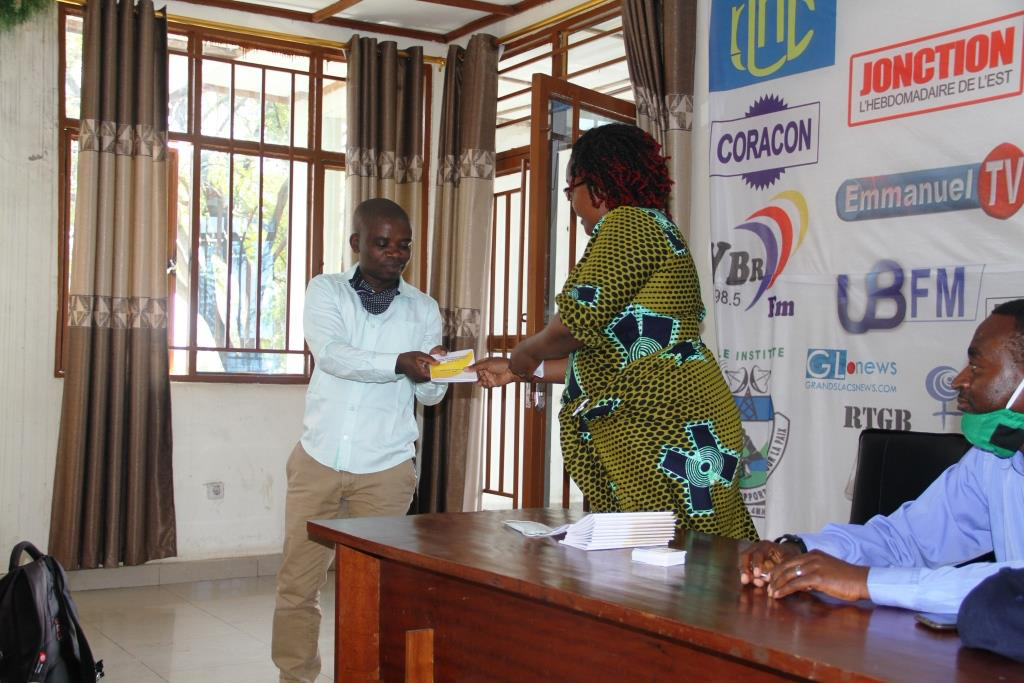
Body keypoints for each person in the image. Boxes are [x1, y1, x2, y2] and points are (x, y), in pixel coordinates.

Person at [472, 123, 757, 541]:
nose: (571, 202)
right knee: (685, 558)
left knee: (672, 560)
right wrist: (518, 372)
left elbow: (574, 322)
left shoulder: (630, 225)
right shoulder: (651, 227)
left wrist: (525, 353)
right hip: (675, 420)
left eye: (570, 189)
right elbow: (612, 361)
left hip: (667, 430)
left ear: (597, 185)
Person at [738, 300, 1024, 614]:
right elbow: (906, 539)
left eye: (977, 367)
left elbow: (1016, 588)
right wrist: (801, 551)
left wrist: (867, 582)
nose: (959, 380)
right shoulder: (992, 460)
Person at [271, 198, 447, 683]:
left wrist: (437, 372)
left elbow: (429, 396)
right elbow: (332, 355)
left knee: (377, 592)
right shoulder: (326, 291)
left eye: (404, 245)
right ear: (357, 243)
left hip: (386, 470)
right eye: (383, 243)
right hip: (318, 460)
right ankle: (295, 677)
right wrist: (399, 362)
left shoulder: (424, 308)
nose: (395, 253)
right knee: (298, 584)